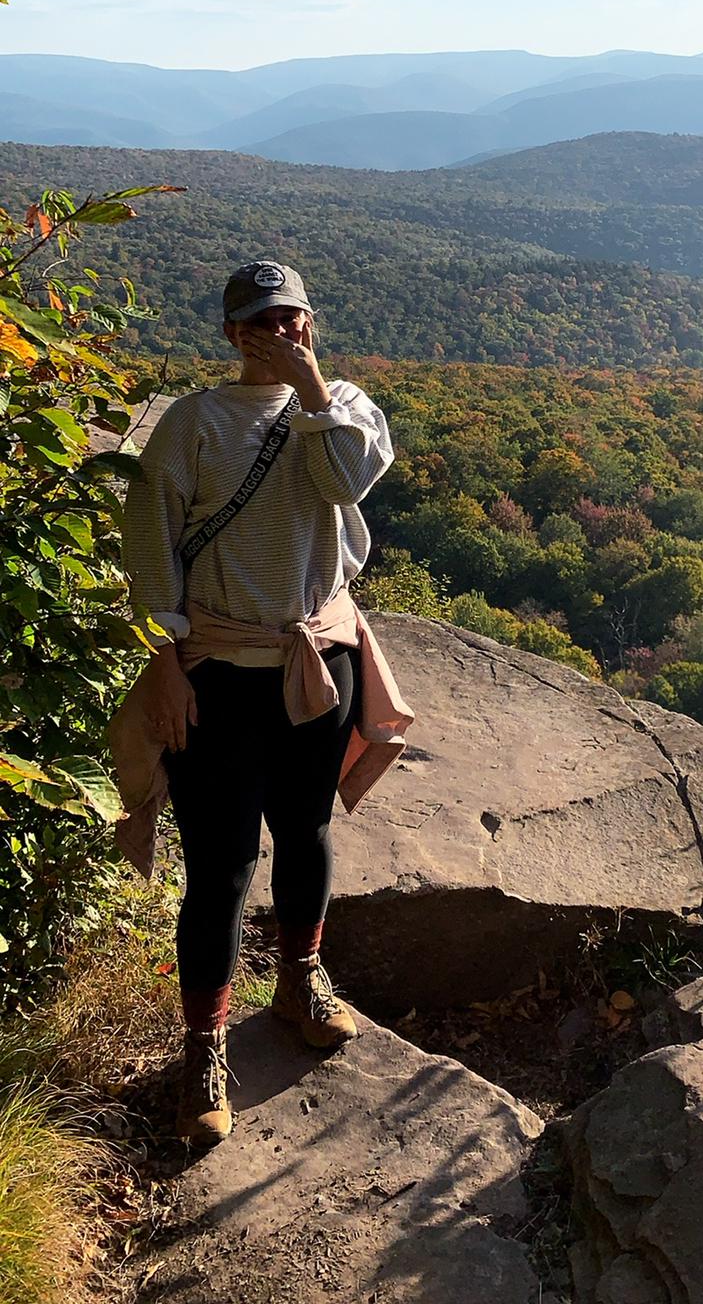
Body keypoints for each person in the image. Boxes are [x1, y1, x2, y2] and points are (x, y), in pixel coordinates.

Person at [113, 258, 412, 1146]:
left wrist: (311, 386)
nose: (281, 335)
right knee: (220, 865)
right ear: (232, 333)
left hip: (317, 655)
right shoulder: (193, 424)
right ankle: (204, 1046)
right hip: (217, 666)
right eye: (262, 324)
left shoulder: (346, 408)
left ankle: (300, 979)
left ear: (310, 323)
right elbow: (152, 543)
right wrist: (163, 656)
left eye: (293, 320)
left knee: (308, 828)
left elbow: (344, 483)